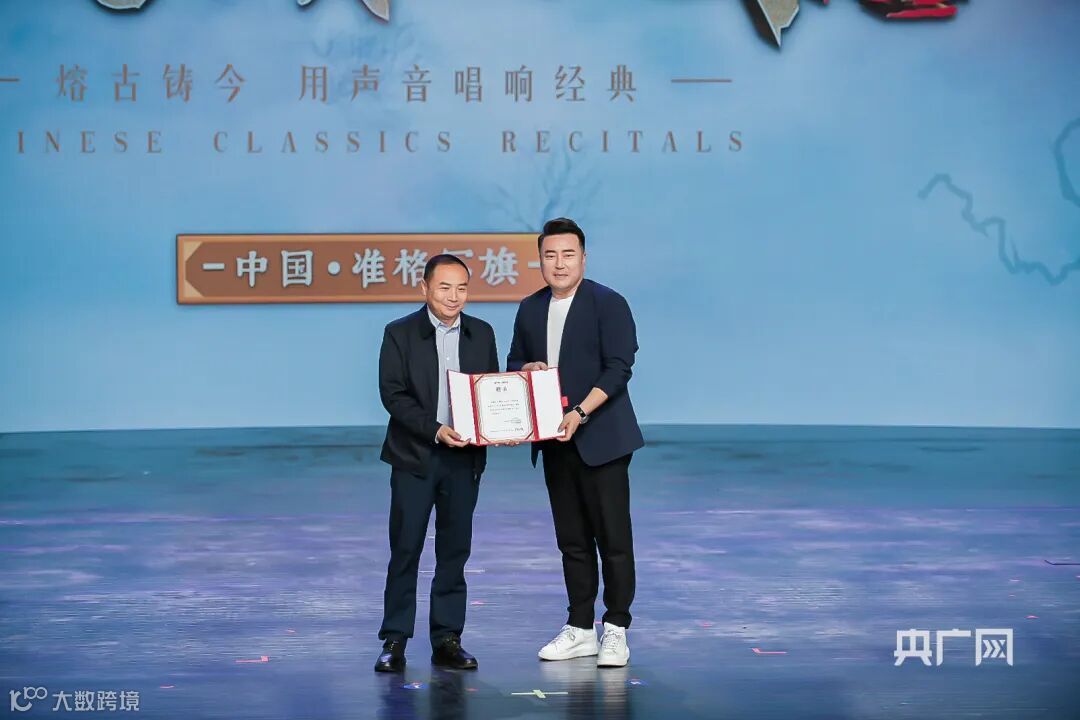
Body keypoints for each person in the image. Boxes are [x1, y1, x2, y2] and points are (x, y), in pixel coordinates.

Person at [507, 218, 644, 668]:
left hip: (601, 439)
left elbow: (619, 367)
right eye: (550, 255)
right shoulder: (530, 308)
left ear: (583, 258)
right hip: (554, 441)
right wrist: (525, 370)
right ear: (540, 260)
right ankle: (581, 627)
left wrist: (581, 412)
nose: (559, 263)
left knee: (613, 538)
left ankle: (616, 628)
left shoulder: (608, 303)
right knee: (572, 541)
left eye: (568, 254)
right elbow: (514, 360)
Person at [374, 254, 498, 673]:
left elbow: (490, 392)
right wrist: (435, 429)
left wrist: (501, 425)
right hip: (415, 457)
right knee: (405, 548)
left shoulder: (482, 333)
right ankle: (395, 639)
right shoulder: (399, 333)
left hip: (464, 460)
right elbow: (393, 394)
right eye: (444, 287)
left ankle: (447, 639)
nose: (453, 296)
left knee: (454, 552)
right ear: (424, 287)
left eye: (461, 288)